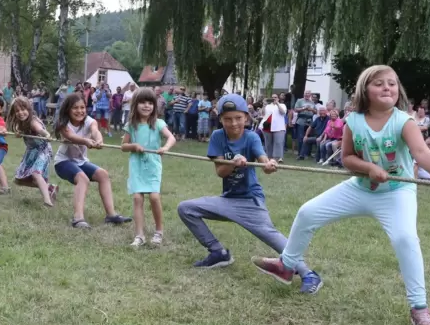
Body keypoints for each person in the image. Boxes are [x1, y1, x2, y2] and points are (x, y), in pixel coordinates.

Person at [251, 65, 430, 325]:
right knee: (308, 212)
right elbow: (347, 157)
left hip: (396, 194)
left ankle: (419, 307)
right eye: (379, 84)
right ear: (365, 90)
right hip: (360, 188)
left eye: (392, 84)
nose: (387, 88)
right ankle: (286, 265)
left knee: (406, 239)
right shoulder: (354, 121)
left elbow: (422, 153)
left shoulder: (403, 121)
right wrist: (370, 168)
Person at [177, 94, 301, 270]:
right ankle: (218, 253)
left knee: (274, 238)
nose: (234, 123)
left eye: (238, 118)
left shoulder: (251, 137)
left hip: (251, 201)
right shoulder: (217, 137)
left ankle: (307, 273)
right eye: (228, 119)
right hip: (228, 199)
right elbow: (221, 172)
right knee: (186, 208)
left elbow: (263, 162)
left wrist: (269, 164)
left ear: (246, 117)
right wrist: (233, 164)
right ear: (220, 119)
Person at [53, 92, 132, 228]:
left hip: (81, 161)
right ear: (68, 109)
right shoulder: (63, 124)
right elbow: (71, 137)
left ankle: (111, 215)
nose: (80, 111)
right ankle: (78, 218)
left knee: (103, 175)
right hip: (63, 162)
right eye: (75, 108)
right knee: (82, 178)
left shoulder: (90, 121)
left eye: (82, 107)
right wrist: (86, 141)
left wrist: (99, 140)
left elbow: (95, 130)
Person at [121, 88, 176, 246]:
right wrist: (133, 145)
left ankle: (159, 231)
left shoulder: (158, 123)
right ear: (135, 105)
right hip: (137, 165)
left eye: (150, 103)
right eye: (142, 102)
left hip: (153, 164)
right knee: (137, 198)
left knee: (154, 197)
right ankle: (139, 235)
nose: (146, 106)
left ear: (154, 105)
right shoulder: (131, 125)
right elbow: (123, 146)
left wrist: (165, 148)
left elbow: (171, 138)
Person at [8, 96, 58, 207]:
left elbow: (40, 130)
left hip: (42, 151)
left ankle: (47, 201)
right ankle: (50, 187)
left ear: (29, 109)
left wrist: (47, 135)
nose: (20, 113)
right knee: (19, 180)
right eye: (17, 111)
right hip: (31, 152)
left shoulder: (33, 121)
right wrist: (18, 132)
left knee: (36, 174)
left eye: (23, 109)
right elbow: (17, 128)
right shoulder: (21, 122)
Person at [260, 93, 288, 162]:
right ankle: (269, 157)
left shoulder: (282, 105)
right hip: (267, 127)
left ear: (278, 98)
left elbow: (283, 112)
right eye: (272, 97)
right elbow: (263, 114)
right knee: (268, 143)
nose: (274, 99)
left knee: (278, 142)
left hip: (279, 127)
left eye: (275, 97)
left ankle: (278, 158)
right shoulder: (268, 106)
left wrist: (277, 104)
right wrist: (264, 105)